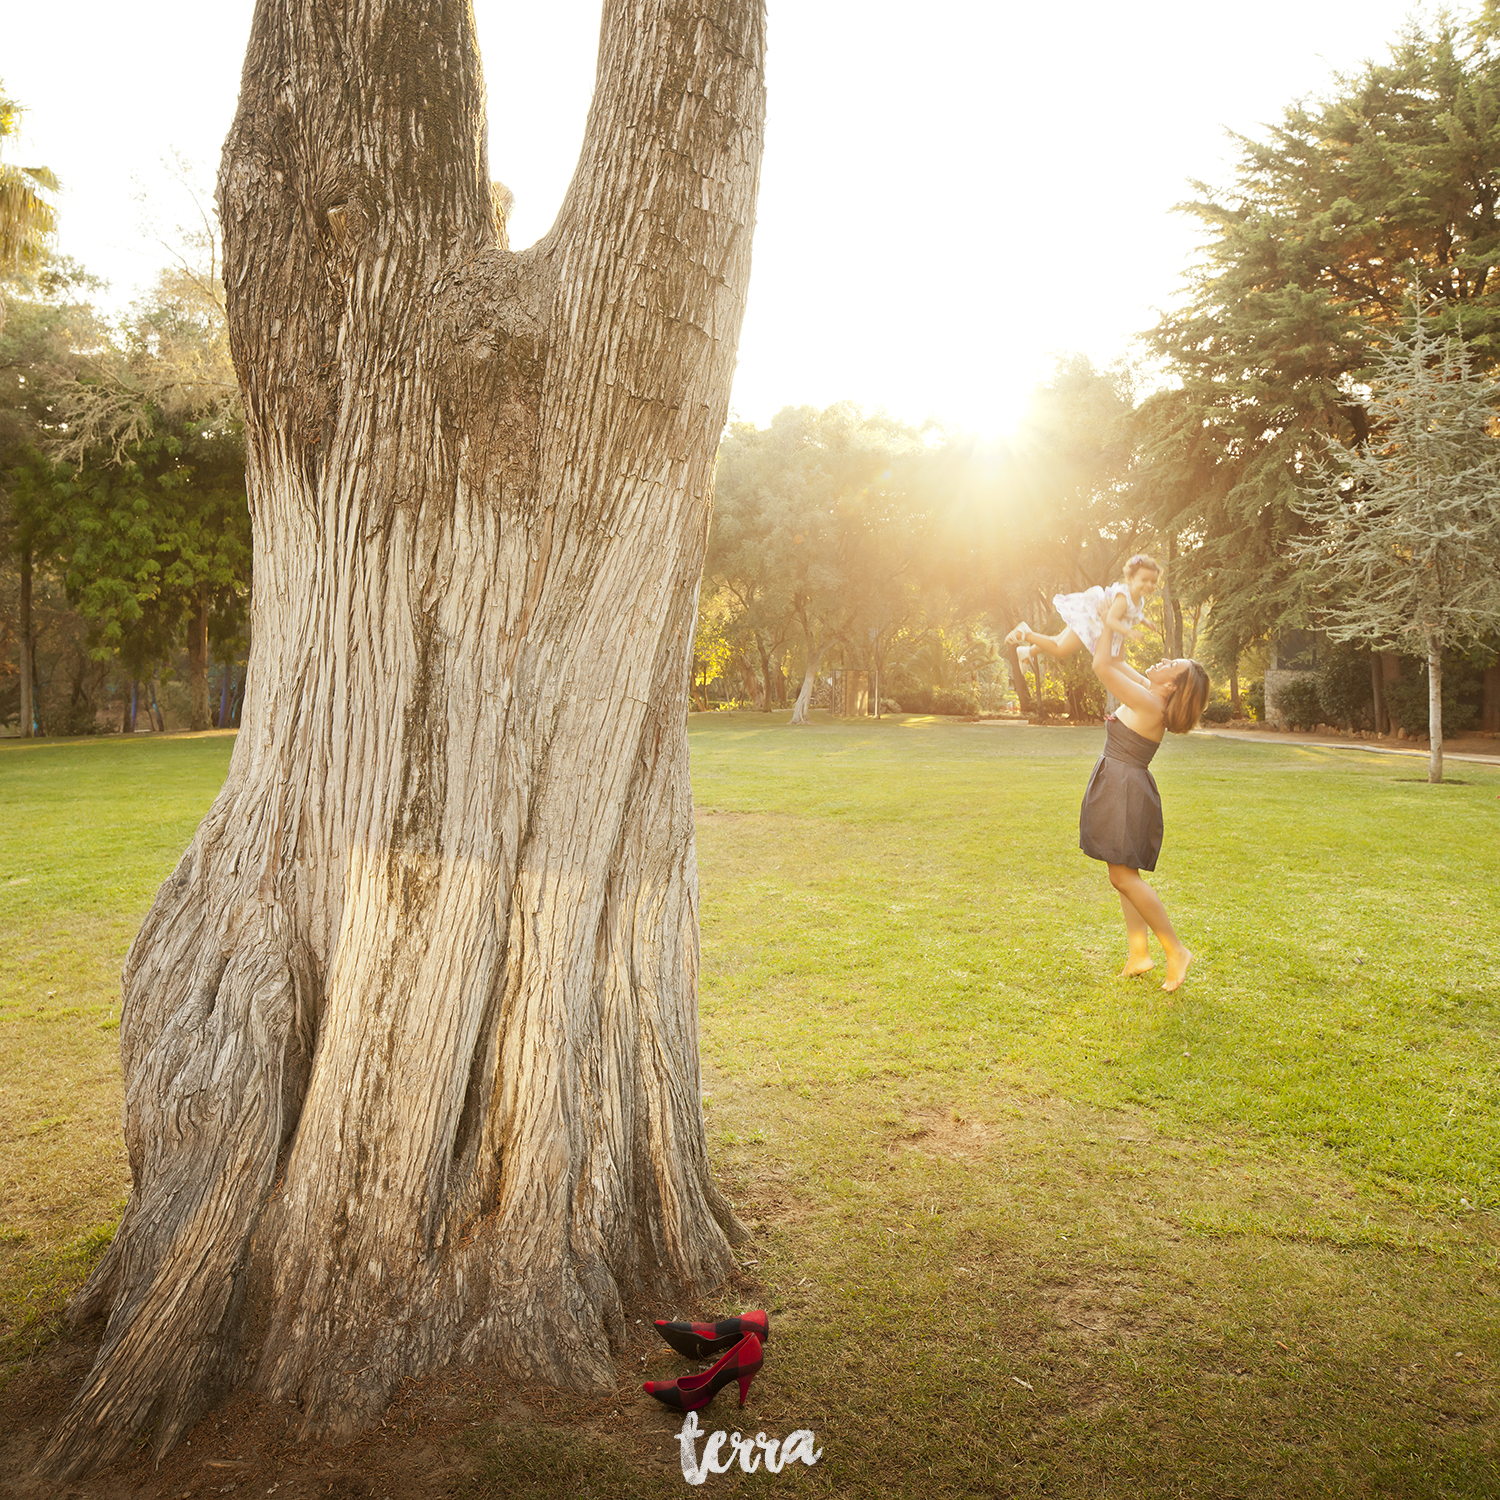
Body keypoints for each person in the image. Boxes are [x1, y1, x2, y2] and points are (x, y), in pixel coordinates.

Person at [1078, 620, 1209, 992]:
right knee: (1122, 875)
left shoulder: (1151, 702)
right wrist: (1117, 618)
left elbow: (1102, 667)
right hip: (1121, 784)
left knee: (1122, 877)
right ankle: (1139, 954)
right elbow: (1114, 660)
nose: (1164, 660)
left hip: (1124, 790)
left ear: (1171, 687)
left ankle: (1176, 949)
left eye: (1172, 665)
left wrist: (1107, 623)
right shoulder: (1149, 692)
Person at [1005, 554, 1161, 663]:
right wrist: (1129, 632)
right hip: (1091, 621)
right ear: (1130, 579)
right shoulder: (1123, 598)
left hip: (1092, 620)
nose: (1149, 585)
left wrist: (1145, 622)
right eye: (1144, 580)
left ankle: (1027, 652)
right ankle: (1025, 634)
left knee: (1058, 639)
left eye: (1153, 581)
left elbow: (1134, 614)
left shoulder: (1138, 598)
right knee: (1060, 649)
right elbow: (1111, 620)